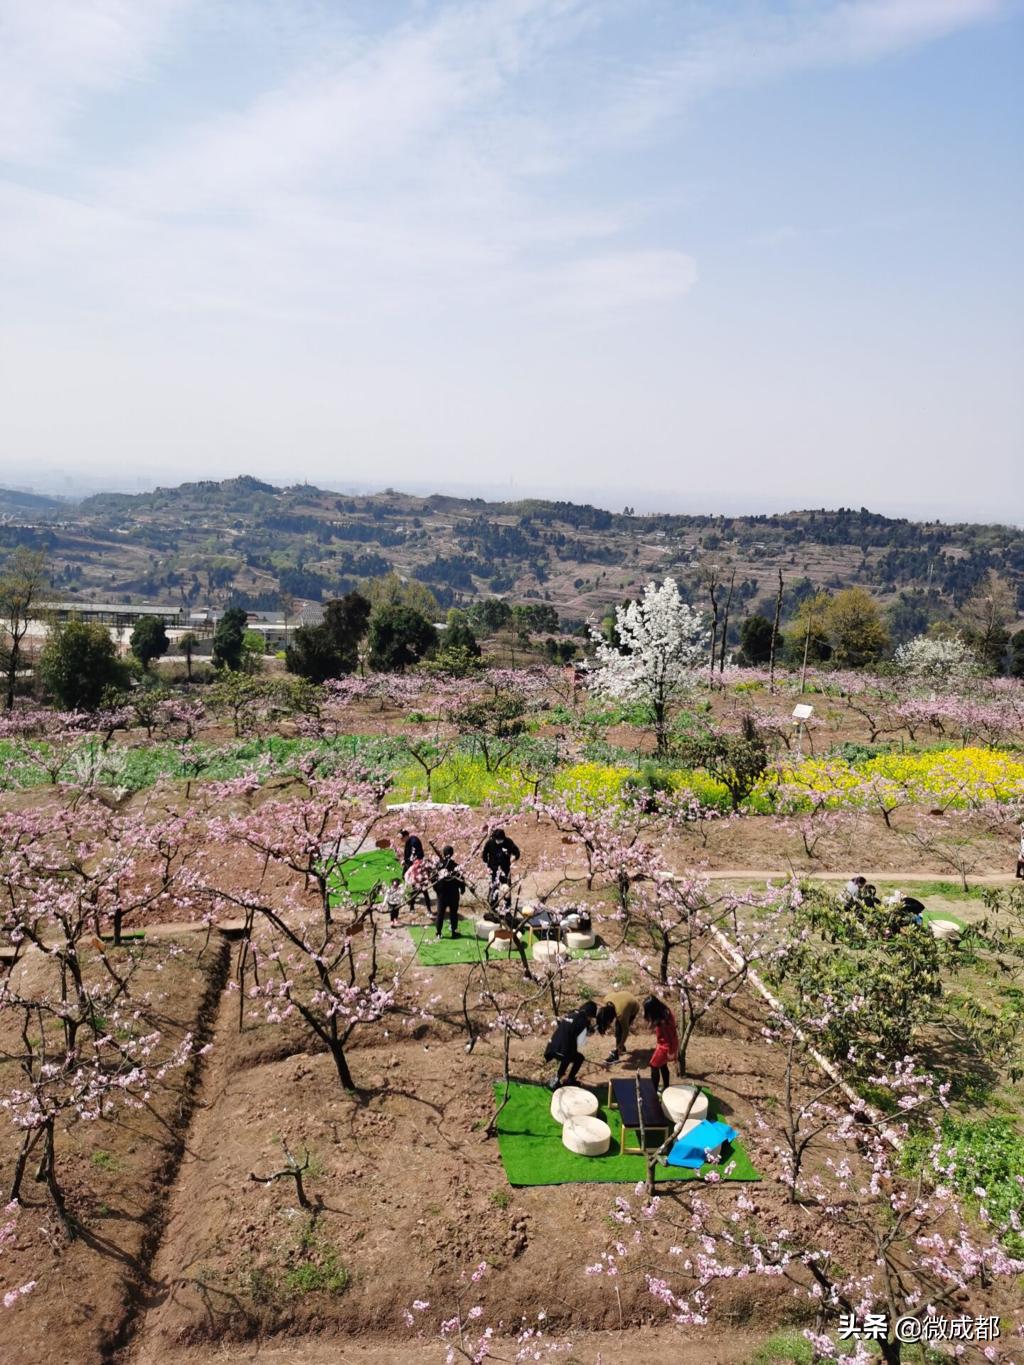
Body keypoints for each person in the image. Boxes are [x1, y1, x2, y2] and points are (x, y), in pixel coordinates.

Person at [544, 1000, 598, 1090]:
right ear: (590, 1014)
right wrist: (587, 1034)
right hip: (563, 1051)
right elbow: (581, 1043)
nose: (590, 1019)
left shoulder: (572, 1014)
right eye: (591, 1017)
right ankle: (570, 1079)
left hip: (551, 1047)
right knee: (578, 1058)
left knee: (569, 1053)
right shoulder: (583, 1022)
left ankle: (556, 1079)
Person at [643, 995, 680, 1093]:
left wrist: (671, 1051)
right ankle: (666, 1088)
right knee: (663, 1065)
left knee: (654, 1066)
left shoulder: (663, 1021)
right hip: (665, 1044)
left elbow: (670, 1036)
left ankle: (653, 1091)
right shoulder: (665, 1012)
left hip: (666, 1047)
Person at [482, 826, 520, 912]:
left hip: (505, 870)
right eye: (497, 839)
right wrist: (488, 866)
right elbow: (484, 855)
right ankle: (493, 909)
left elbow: (517, 852)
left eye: (500, 839)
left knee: (506, 891)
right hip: (493, 870)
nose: (499, 841)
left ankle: (507, 909)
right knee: (493, 890)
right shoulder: (490, 843)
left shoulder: (508, 842)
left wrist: (513, 859)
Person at [596, 990, 640, 1065]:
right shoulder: (606, 1000)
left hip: (633, 1005)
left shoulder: (621, 1014)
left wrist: (621, 1043)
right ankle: (620, 1048)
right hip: (625, 997)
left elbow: (626, 1031)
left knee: (620, 1029)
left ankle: (618, 1052)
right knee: (618, 1028)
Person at [433, 844, 465, 940]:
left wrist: (437, 890)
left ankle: (438, 932)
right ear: (452, 854)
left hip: (442, 894)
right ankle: (454, 932)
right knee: (453, 914)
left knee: (440, 914)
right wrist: (462, 889)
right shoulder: (455, 866)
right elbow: (461, 879)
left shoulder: (439, 866)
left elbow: (433, 880)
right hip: (453, 894)